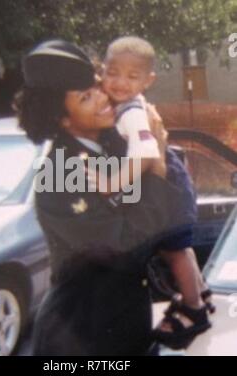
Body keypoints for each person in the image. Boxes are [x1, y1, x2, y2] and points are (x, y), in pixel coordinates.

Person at [15, 39, 196, 356]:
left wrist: (160, 156)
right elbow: (127, 249)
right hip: (80, 340)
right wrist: (156, 167)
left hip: (130, 329)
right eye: (86, 97)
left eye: (97, 85)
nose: (104, 96)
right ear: (62, 119)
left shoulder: (116, 144)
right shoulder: (60, 174)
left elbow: (172, 218)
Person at [99, 36, 213, 347]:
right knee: (176, 248)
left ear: (148, 80)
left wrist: (112, 183)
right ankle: (199, 292)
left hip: (169, 188)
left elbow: (145, 153)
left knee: (175, 250)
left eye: (132, 76)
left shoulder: (132, 113)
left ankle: (195, 308)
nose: (120, 82)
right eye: (113, 72)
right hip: (171, 186)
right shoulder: (120, 107)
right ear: (101, 71)